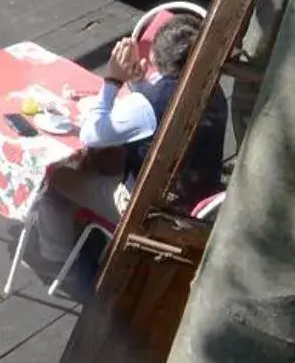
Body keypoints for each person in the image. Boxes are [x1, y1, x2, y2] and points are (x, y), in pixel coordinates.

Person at [28, 15, 227, 271]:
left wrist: (112, 81)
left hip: (151, 209)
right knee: (102, 160)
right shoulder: (212, 89)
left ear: (154, 57)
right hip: (196, 197)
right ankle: (79, 229)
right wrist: (138, 82)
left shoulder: (149, 105)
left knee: (57, 178)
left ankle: (55, 257)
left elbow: (90, 134)